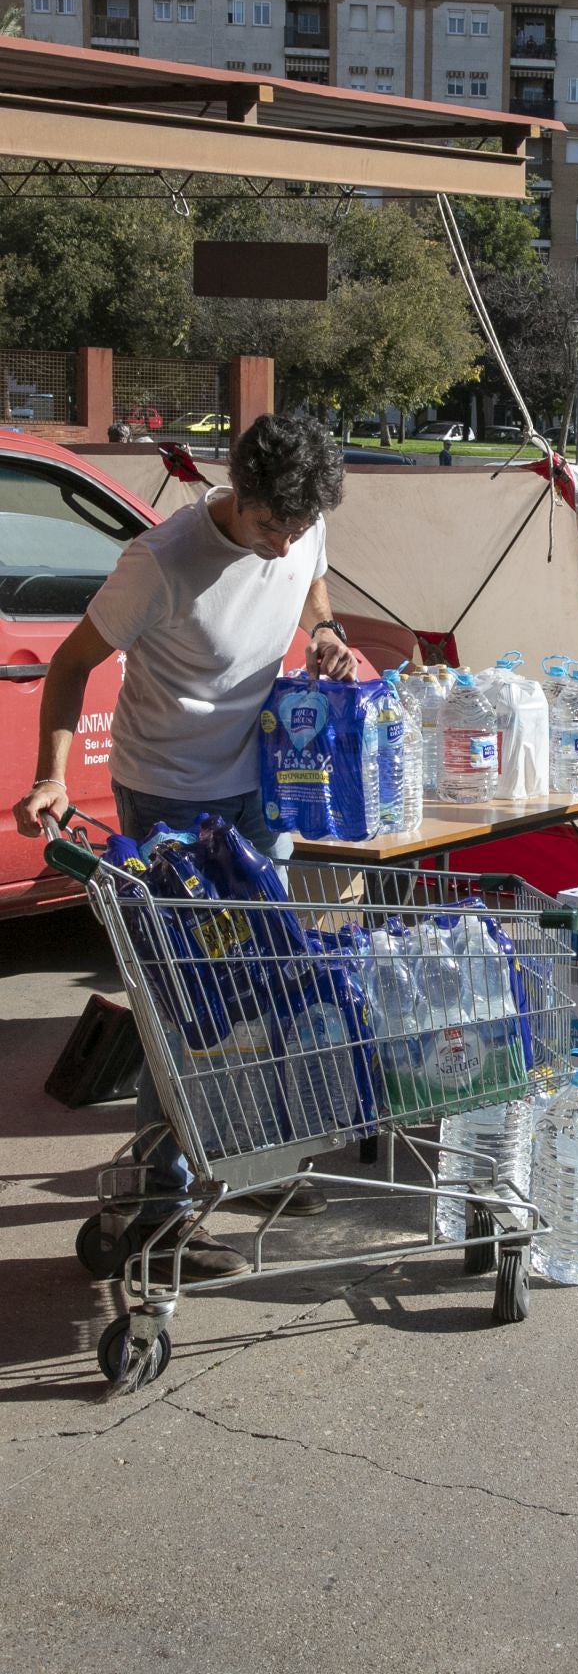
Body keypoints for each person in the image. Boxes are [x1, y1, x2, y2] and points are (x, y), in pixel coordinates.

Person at [14, 411, 360, 1274]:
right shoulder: (161, 563)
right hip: (163, 801)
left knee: (269, 987)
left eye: (299, 527)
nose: (283, 547)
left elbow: (313, 580)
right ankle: (157, 1211)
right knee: (188, 1010)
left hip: (251, 792)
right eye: (271, 526)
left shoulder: (303, 528)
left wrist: (324, 631)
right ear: (237, 494)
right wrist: (53, 773)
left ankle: (246, 1163)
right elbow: (70, 666)